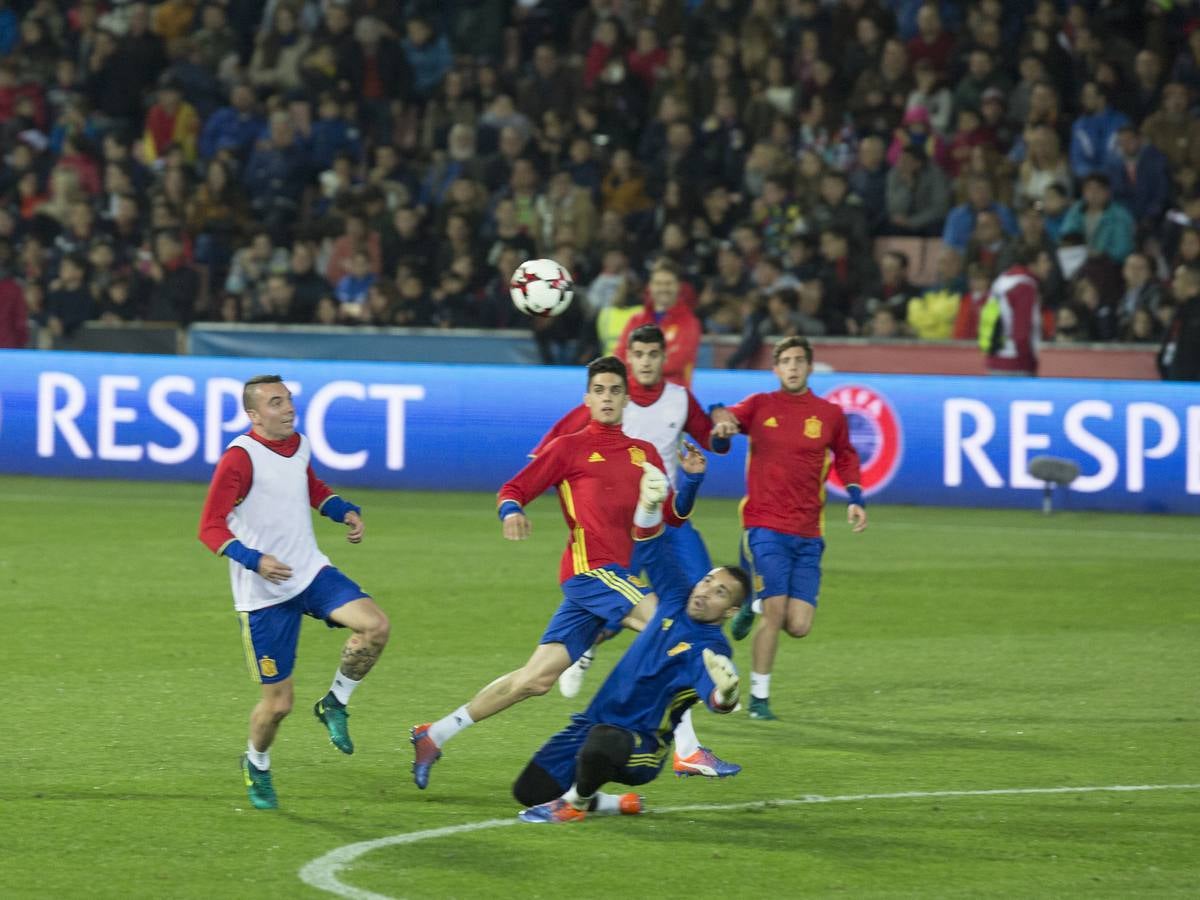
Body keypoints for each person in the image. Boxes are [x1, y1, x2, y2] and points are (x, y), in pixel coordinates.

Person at [410, 357, 686, 790]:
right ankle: (686, 746)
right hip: (591, 570)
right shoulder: (568, 447)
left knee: (534, 680)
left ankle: (435, 734)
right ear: (587, 398)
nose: (608, 397)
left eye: (615, 390)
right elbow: (514, 488)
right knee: (666, 627)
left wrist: (690, 483)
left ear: (627, 399)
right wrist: (511, 510)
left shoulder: (645, 454)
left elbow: (671, 517)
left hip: (611, 580)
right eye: (600, 390)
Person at [533, 324, 738, 778]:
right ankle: (587, 647)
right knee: (646, 617)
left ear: (664, 357)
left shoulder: (679, 399)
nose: (645, 362)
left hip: (664, 520)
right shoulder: (606, 402)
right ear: (628, 358)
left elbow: (712, 438)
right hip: (618, 530)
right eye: (637, 354)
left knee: (688, 613)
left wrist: (722, 427)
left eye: (652, 355)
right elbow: (546, 456)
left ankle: (687, 745)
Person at [514, 447, 751, 823]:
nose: (705, 591)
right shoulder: (676, 596)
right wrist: (649, 503)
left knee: (603, 744)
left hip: (642, 745)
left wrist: (728, 693)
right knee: (528, 790)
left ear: (732, 612)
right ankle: (611, 803)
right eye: (707, 581)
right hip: (593, 723)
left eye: (720, 592)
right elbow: (648, 543)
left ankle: (574, 806)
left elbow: (714, 697)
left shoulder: (711, 647)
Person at [197, 375, 390, 810]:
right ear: (253, 414)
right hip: (264, 592)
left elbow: (310, 488)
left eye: (288, 400)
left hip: (309, 570)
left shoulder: (298, 443)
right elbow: (209, 526)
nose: (288, 409)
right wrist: (255, 560)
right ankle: (257, 762)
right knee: (279, 704)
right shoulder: (239, 459)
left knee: (375, 627)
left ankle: (335, 703)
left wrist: (344, 511)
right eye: (276, 402)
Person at [711, 337, 866, 721]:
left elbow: (846, 455)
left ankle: (751, 601)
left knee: (799, 625)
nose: (793, 367)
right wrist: (723, 423)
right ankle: (759, 699)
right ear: (776, 369)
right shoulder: (761, 406)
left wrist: (856, 498)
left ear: (810, 368)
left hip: (809, 533)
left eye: (799, 361)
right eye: (786, 361)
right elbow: (721, 414)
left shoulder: (828, 414)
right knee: (776, 613)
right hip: (764, 525)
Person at [614, 260, 701, 388]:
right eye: (658, 283)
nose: (663, 288)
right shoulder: (636, 320)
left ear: (678, 286)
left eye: (668, 283)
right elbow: (620, 355)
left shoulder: (690, 323)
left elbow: (676, 362)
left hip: (673, 399)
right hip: (635, 398)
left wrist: (637, 361)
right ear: (650, 286)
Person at [980, 247, 1055, 376]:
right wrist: (1030, 363)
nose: (1049, 266)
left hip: (995, 358)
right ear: (1032, 264)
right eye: (1045, 261)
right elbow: (1021, 332)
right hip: (1016, 364)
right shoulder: (1025, 286)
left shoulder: (1002, 280)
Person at [1159, 264, 1200, 381]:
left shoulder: (1194, 316)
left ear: (1193, 287)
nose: (1174, 284)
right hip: (1174, 382)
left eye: (1178, 279)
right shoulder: (1180, 312)